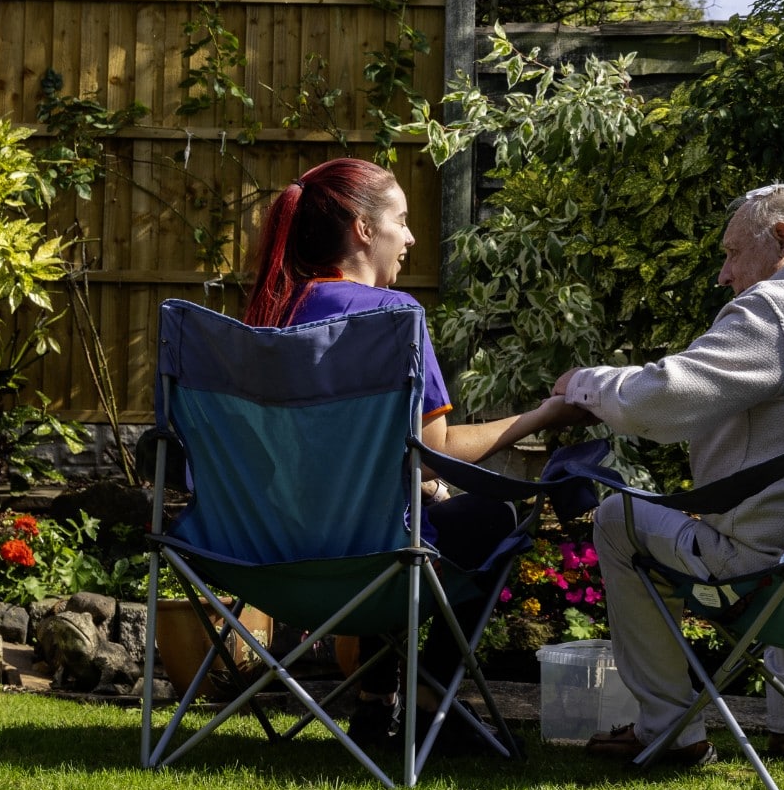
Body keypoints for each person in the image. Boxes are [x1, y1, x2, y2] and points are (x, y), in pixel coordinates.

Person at [552, 180, 784, 764]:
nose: (724, 274)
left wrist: (584, 384)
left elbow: (659, 402)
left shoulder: (780, 310)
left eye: (732, 253)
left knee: (619, 517)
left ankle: (669, 731)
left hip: (770, 571)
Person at [243, 157, 582, 747]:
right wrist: (542, 416)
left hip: (270, 560)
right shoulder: (394, 318)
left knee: (403, 507)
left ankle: (378, 701)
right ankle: (428, 702)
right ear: (363, 229)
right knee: (492, 517)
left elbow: (322, 454)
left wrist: (418, 481)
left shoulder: (269, 321)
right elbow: (435, 449)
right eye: (401, 221)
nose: (412, 238)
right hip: (373, 563)